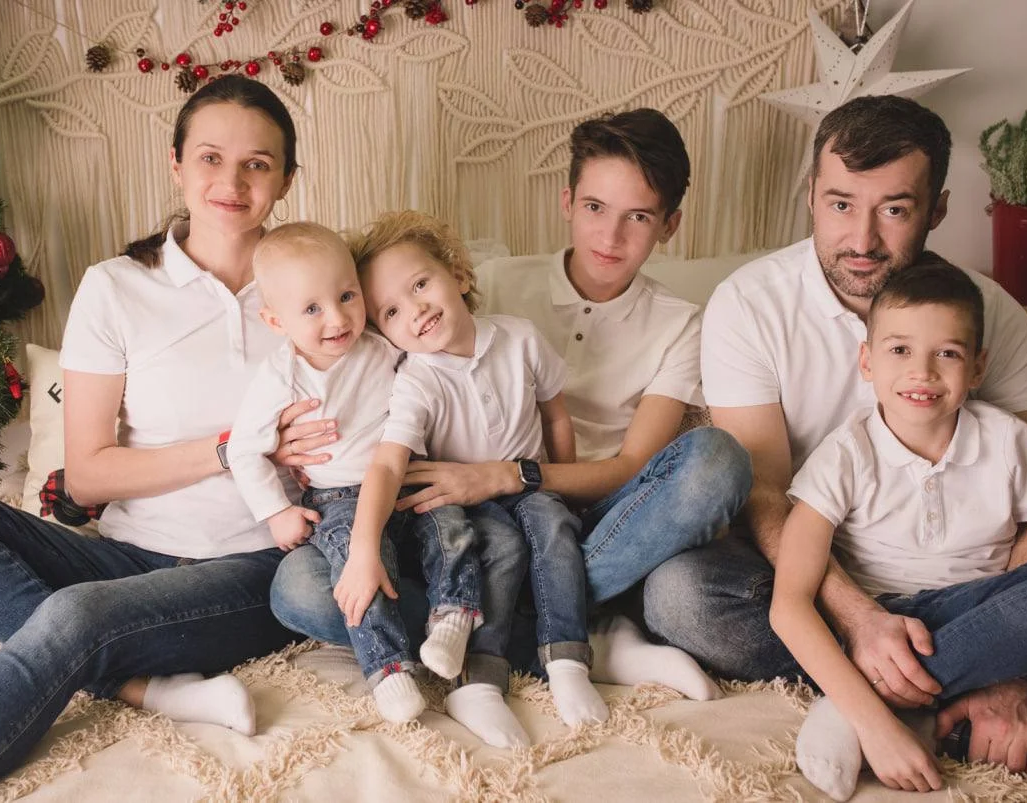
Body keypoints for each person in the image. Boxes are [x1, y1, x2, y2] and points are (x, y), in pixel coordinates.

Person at [0, 75, 335, 801]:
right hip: (124, 556)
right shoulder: (116, 287)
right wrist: (234, 446)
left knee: (73, 614)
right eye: (210, 158)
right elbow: (87, 478)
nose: (231, 183)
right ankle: (137, 685)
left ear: (287, 179)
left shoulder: (320, 283)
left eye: (257, 164)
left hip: (251, 566)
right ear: (177, 164)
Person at [665, 93, 1027, 796]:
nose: (863, 238)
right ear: (811, 195)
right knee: (682, 596)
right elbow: (766, 495)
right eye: (841, 204)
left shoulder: (992, 316)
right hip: (822, 581)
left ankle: (902, 697)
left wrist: (1015, 663)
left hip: (975, 593)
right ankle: (898, 696)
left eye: (895, 209)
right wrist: (863, 621)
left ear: (937, 210)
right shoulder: (751, 304)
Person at [270, 108, 749, 709]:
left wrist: (510, 476)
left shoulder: (681, 324)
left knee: (717, 459)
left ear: (669, 225)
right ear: (567, 201)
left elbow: (632, 467)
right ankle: (579, 635)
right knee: (300, 587)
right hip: (469, 527)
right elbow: (365, 341)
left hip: (604, 522)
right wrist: (286, 434)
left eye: (639, 217)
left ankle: (519, 623)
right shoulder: (491, 282)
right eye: (595, 207)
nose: (610, 236)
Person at [768, 259, 1027, 800]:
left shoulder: (1009, 442)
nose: (922, 373)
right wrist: (873, 727)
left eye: (947, 354)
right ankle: (873, 708)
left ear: (977, 368)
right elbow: (789, 603)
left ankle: (916, 713)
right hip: (890, 630)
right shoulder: (845, 455)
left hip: (997, 625)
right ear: (867, 361)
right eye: (900, 350)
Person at [352, 209, 609, 744]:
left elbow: (556, 417)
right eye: (392, 311)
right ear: (385, 334)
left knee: (555, 527)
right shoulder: (416, 381)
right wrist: (364, 547)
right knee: (496, 550)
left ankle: (567, 658)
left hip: (528, 484)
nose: (416, 309)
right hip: (468, 506)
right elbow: (388, 462)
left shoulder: (520, 338)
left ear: (460, 275)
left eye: (420, 284)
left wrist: (566, 485)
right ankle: (480, 680)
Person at [226, 221, 485, 723]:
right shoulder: (281, 376)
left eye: (347, 296)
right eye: (312, 309)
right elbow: (243, 450)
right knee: (360, 567)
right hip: (339, 495)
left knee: (450, 525)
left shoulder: (379, 345)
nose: (337, 318)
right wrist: (276, 512)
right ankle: (388, 668)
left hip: (407, 474)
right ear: (276, 321)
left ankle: (454, 616)